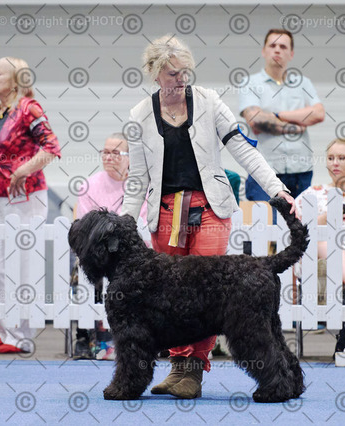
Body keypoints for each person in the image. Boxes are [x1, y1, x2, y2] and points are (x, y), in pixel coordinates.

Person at [121, 34, 297, 399]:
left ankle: (193, 373)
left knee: (207, 296)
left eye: (185, 72)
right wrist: (125, 222)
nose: (181, 79)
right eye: (173, 73)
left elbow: (243, 150)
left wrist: (276, 189)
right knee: (169, 299)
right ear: (155, 73)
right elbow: (137, 178)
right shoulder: (139, 115)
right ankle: (178, 368)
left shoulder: (209, 102)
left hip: (209, 209)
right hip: (164, 213)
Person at [0, 57, 61, 354]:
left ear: (14, 81)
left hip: (26, 198)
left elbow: (51, 147)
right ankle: (5, 330)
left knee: (22, 267)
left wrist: (23, 170)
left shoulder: (29, 109)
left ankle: (21, 336)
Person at [295, 139, 345, 353]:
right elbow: (296, 233)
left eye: (341, 158)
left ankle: (344, 346)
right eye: (331, 158)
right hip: (319, 263)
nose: (335, 163)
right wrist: (325, 217)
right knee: (326, 243)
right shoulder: (311, 194)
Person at [73, 132, 147, 360]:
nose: (109, 157)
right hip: (99, 253)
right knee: (81, 271)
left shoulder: (140, 185)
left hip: (132, 253)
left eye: (116, 153)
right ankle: (85, 337)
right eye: (105, 152)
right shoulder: (89, 185)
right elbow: (85, 225)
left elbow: (142, 223)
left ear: (130, 157)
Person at [239, 28, 325, 201]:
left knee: (300, 217)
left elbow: (318, 113)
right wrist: (297, 125)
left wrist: (276, 115)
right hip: (264, 171)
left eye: (283, 46)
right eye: (272, 45)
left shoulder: (303, 83)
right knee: (264, 217)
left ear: (291, 54)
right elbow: (256, 120)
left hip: (301, 171)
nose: (277, 50)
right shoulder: (250, 83)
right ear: (263, 51)